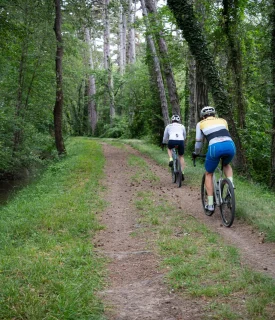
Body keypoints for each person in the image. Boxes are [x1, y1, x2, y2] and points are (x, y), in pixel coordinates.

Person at [192, 106, 236, 212]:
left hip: (215, 147)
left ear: (203, 117)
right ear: (214, 115)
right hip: (230, 145)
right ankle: (231, 186)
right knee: (226, 164)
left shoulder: (200, 124)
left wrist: (196, 153)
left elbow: (198, 142)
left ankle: (211, 205)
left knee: (209, 173)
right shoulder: (223, 120)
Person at [162, 114, 186, 180]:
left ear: (172, 120)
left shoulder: (168, 126)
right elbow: (184, 136)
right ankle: (182, 172)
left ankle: (170, 159)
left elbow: (165, 137)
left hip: (172, 140)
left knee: (169, 148)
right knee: (181, 156)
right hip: (181, 140)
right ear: (179, 120)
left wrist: (164, 142)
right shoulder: (182, 126)